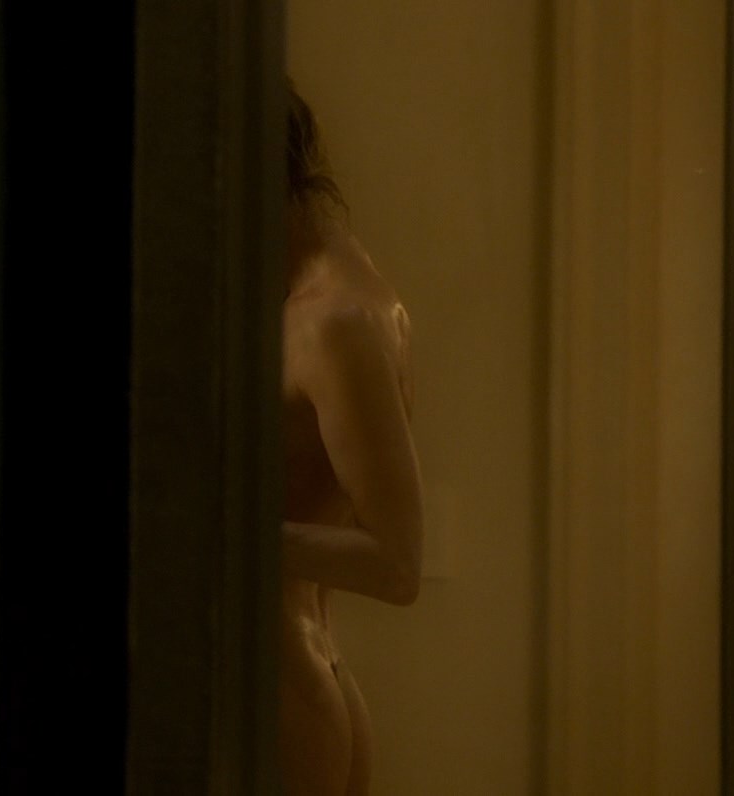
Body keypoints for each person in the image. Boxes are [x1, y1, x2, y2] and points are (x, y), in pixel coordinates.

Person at [278, 82, 424, 796]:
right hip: (303, 668)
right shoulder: (341, 287)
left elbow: (397, 563)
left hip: (285, 687)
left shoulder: (331, 317)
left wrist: (212, 536)